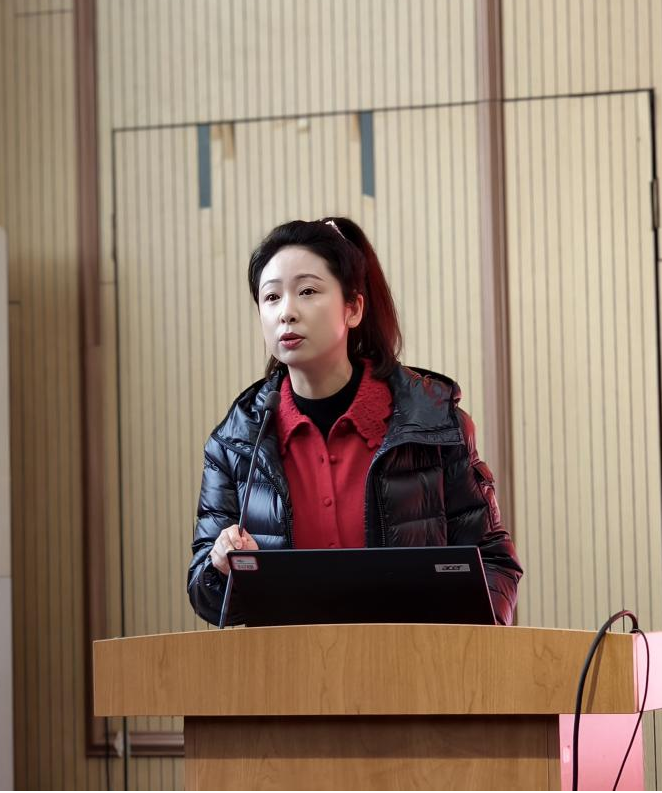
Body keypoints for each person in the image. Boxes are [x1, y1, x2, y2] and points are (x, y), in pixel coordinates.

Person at [186, 217, 523, 625]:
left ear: (353, 308)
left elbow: (494, 563)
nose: (287, 312)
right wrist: (220, 567)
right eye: (271, 297)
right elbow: (206, 596)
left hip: (416, 660)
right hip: (291, 663)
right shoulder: (235, 443)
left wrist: (455, 647)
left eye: (307, 291)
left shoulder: (434, 423)